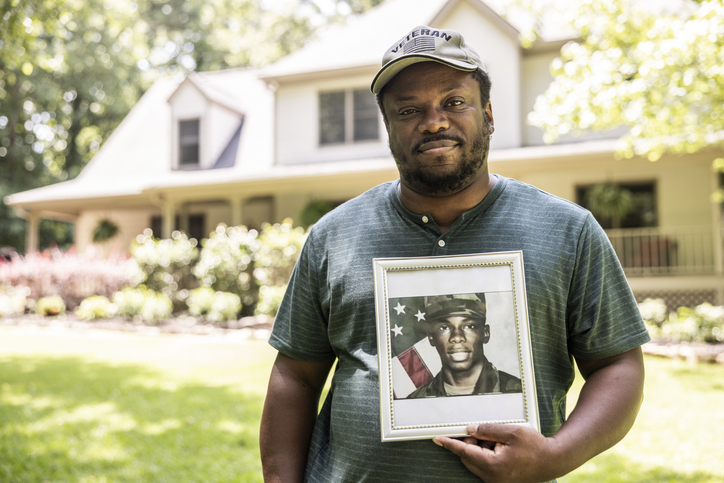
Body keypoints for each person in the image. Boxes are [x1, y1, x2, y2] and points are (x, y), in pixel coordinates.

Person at [260, 25, 649, 482]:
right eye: (409, 110)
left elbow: (618, 364)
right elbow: (296, 378)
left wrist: (557, 455)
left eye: (454, 102)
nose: (434, 121)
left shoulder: (568, 231)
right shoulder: (334, 236)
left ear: (487, 113)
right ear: (388, 127)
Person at [408, 293, 522, 398]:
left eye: (469, 326)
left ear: (485, 333)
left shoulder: (518, 393)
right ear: (431, 337)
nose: (457, 337)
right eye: (444, 328)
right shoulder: (415, 401)